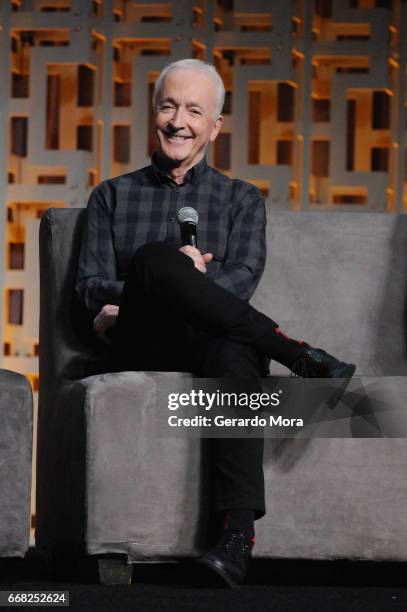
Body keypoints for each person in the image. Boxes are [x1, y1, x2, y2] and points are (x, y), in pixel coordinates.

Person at [75, 58, 355, 588]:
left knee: (236, 351)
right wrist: (159, 282)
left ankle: (235, 540)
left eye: (194, 111)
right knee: (158, 260)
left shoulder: (240, 199)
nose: (179, 121)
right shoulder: (111, 195)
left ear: (215, 125)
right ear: (153, 113)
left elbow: (243, 280)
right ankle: (299, 354)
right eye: (168, 106)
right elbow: (89, 287)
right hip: (143, 342)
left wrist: (184, 289)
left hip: (213, 341)